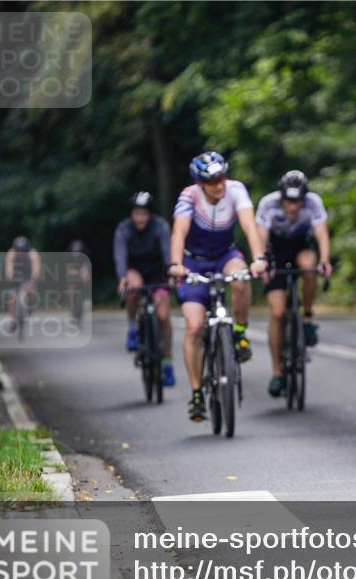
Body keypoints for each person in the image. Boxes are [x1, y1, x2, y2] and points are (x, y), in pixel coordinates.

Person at [168, 151, 268, 421]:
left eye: (222, 176)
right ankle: (198, 393)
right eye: (212, 180)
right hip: (194, 262)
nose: (219, 184)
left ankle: (238, 331)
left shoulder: (235, 190)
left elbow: (249, 225)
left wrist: (259, 259)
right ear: (200, 183)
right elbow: (179, 232)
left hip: (226, 255)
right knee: (194, 328)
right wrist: (176, 264)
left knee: (242, 278)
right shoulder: (189, 196)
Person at [255, 170, 332, 397]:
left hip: (300, 245)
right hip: (275, 252)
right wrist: (262, 262)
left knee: (310, 267)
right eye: (289, 201)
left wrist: (325, 260)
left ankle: (307, 316)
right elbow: (260, 235)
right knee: (277, 313)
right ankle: (277, 373)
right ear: (281, 197)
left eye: (297, 201)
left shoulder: (313, 202)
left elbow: (321, 234)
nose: (293, 207)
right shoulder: (268, 204)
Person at [113, 192, 175, 386]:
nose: (140, 218)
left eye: (144, 214)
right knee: (133, 288)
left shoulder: (160, 226)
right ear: (131, 214)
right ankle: (133, 327)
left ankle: (167, 362)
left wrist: (171, 274)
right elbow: (120, 254)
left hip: (157, 272)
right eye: (136, 213)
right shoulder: (123, 229)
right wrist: (122, 278)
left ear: (150, 214)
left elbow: (167, 252)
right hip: (135, 270)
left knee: (163, 317)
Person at [4, 235, 41, 333]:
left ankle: (30, 305)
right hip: (16, 276)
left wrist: (32, 280)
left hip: (28, 275)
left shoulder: (32, 253)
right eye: (18, 250)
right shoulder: (11, 253)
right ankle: (12, 320)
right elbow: (9, 269)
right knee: (11, 297)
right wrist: (10, 277)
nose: (20, 252)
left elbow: (36, 269)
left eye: (23, 250)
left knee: (31, 290)